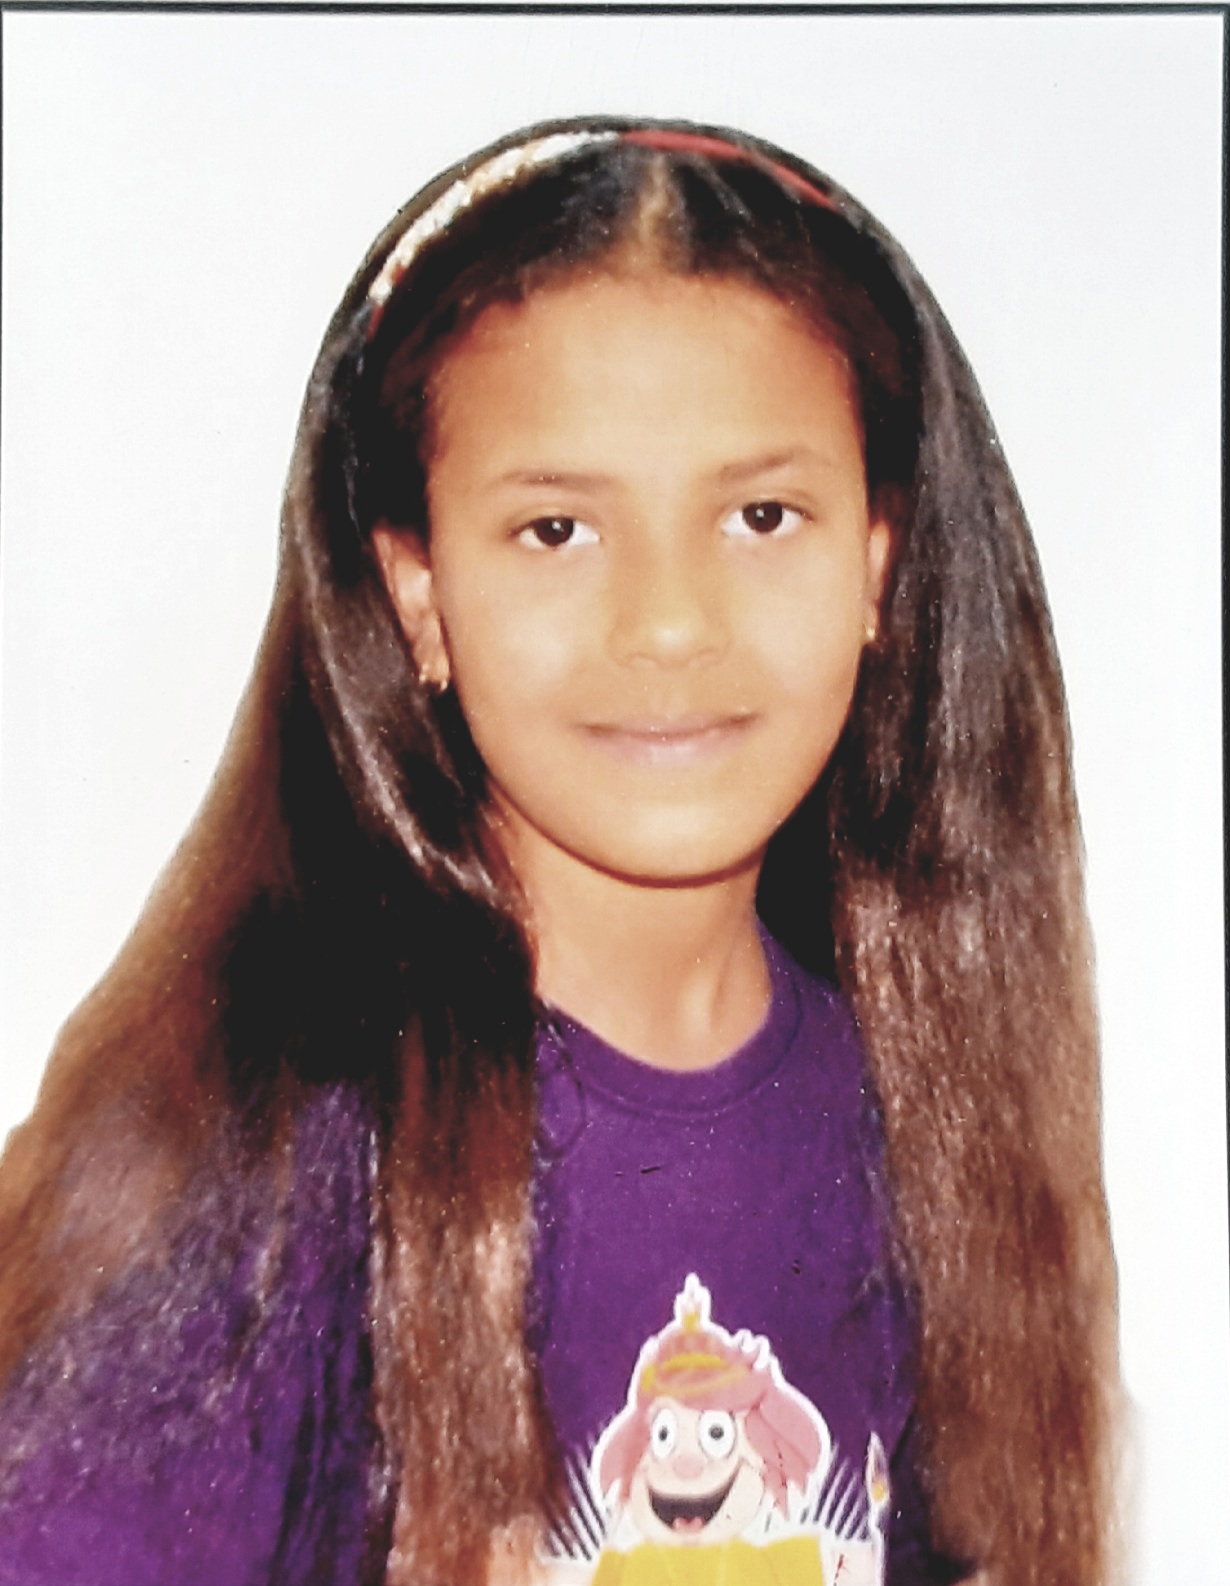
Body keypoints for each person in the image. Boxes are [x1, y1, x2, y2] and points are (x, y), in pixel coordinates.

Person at [0, 118, 1120, 1586]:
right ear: (419, 597)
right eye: (553, 531)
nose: (668, 622)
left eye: (761, 514)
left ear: (877, 566)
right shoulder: (260, 1153)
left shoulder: (921, 1115)